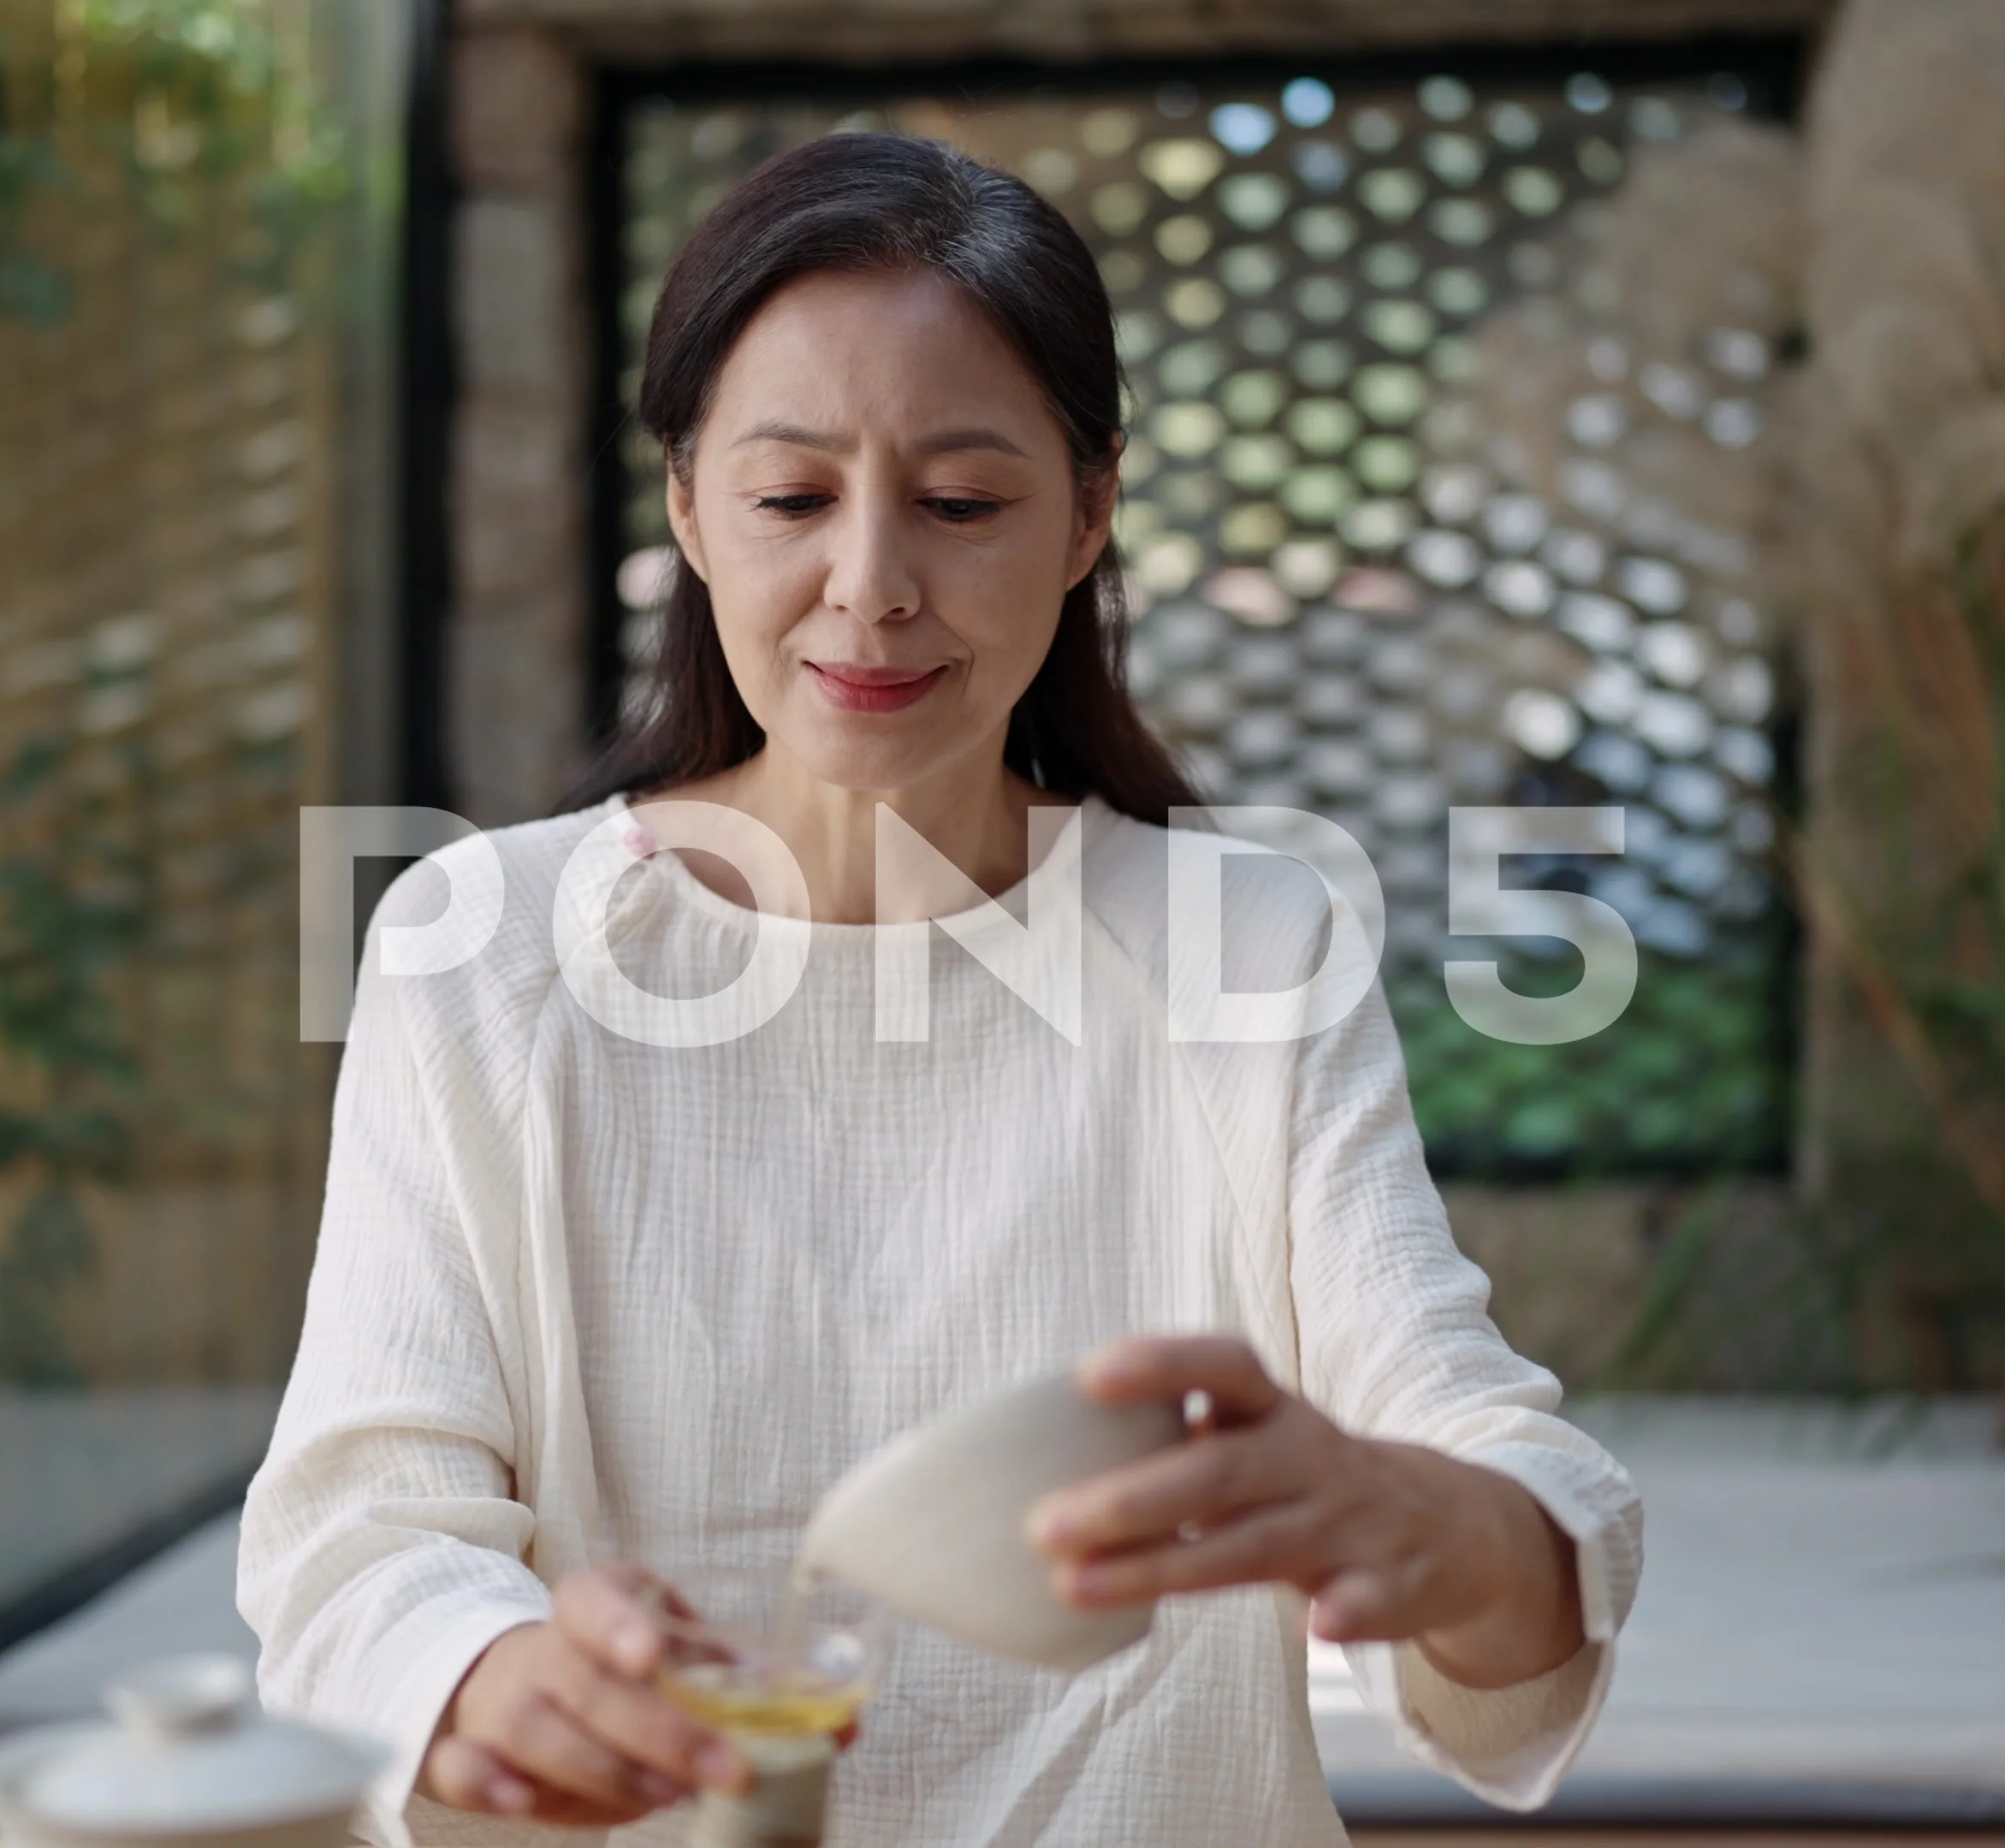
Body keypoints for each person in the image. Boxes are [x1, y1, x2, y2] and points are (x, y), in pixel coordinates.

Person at [237, 130, 1641, 1846]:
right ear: (687, 505)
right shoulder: (486, 947)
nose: (873, 585)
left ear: (1087, 516)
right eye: (791, 498)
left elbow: (1498, 1482)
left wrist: (1432, 1524)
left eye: (963, 503)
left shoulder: (1247, 946)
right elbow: (356, 1531)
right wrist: (485, 1677)